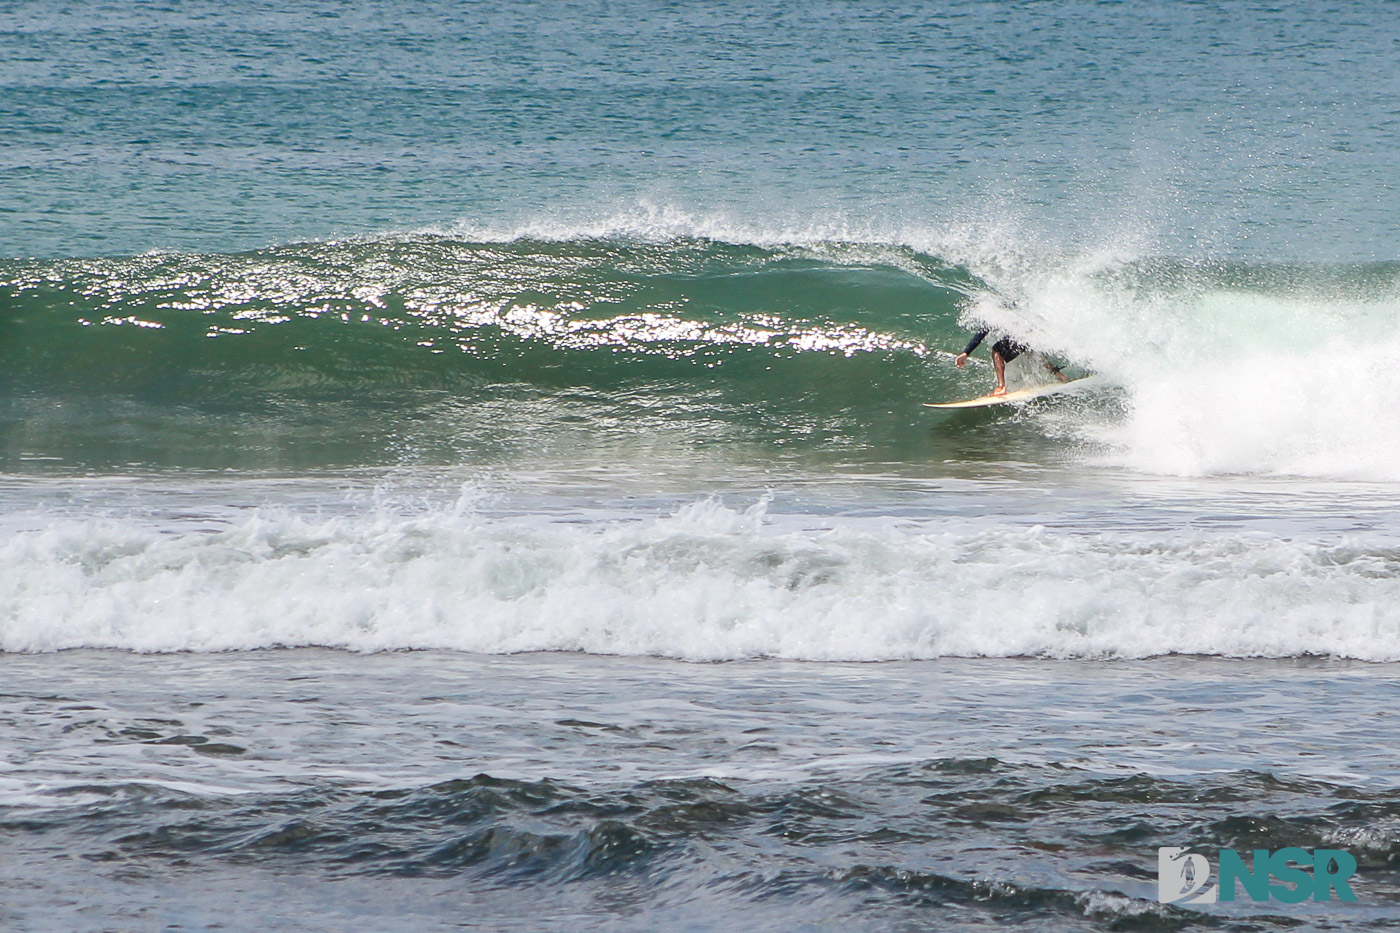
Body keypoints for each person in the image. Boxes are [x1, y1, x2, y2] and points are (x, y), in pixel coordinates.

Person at [954, 329, 1068, 397]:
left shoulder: (993, 310)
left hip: (1022, 333)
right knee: (1030, 350)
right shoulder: (1012, 303)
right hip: (1030, 331)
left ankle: (1001, 387)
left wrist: (966, 352)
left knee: (997, 350)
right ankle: (1060, 375)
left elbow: (982, 332)